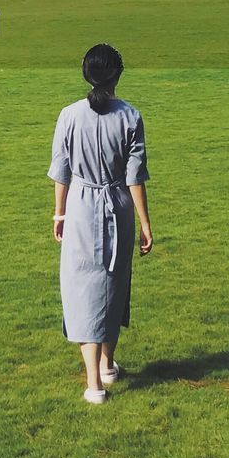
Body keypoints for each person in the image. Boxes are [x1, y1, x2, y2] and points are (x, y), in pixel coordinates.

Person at [47, 43, 153, 404]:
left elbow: (61, 171)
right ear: (117, 75)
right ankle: (107, 364)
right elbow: (134, 177)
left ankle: (95, 383)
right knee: (114, 282)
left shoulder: (68, 115)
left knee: (82, 290)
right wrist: (145, 224)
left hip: (80, 207)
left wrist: (59, 213)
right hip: (117, 207)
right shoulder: (130, 116)